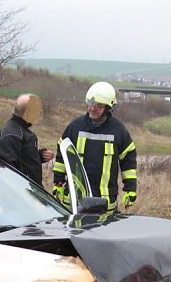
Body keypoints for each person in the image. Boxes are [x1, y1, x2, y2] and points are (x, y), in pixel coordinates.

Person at [51, 81, 138, 212]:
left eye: (98, 106)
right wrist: (58, 182)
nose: (92, 108)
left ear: (109, 108)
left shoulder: (119, 131)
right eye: (91, 104)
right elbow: (61, 156)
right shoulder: (75, 126)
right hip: (75, 201)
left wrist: (130, 189)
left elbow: (128, 162)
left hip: (105, 204)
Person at [0, 93, 54, 188]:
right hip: (20, 196)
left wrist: (40, 155)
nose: (38, 114)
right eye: (36, 111)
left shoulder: (22, 130)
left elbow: (22, 159)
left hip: (32, 192)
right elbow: (7, 172)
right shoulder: (11, 135)